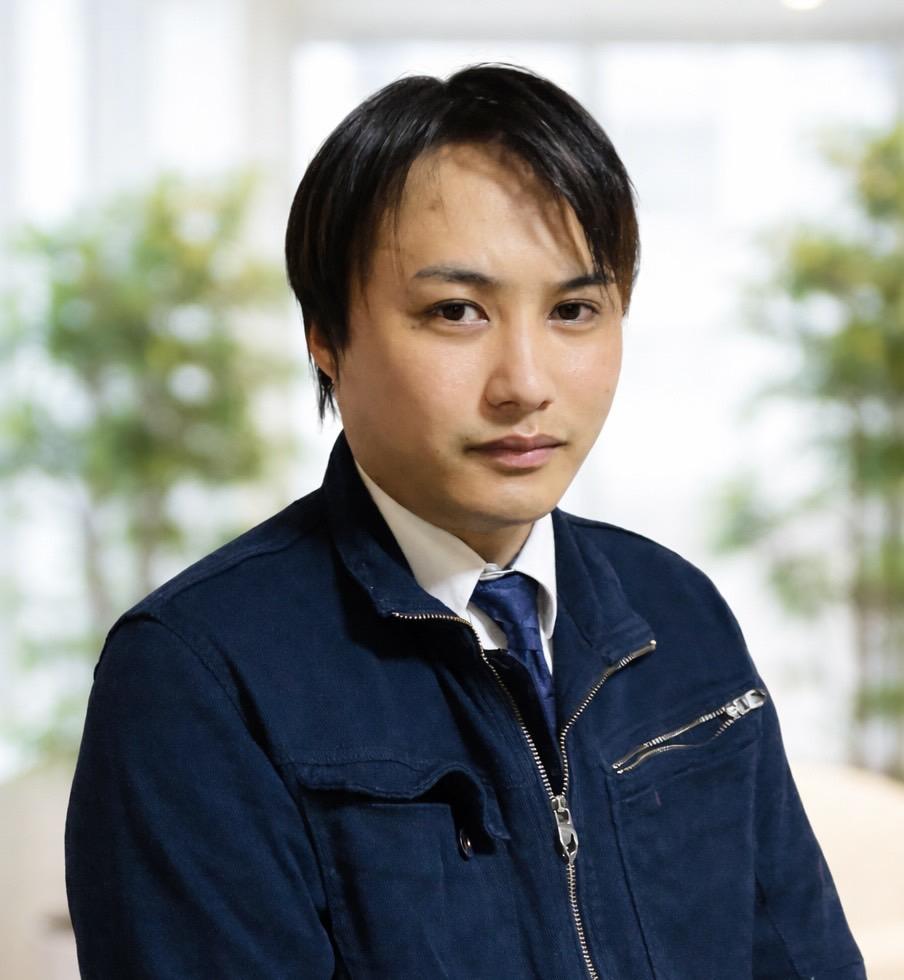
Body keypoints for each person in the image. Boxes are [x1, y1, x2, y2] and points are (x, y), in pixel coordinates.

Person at [65, 63, 865, 979]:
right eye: (456, 312)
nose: (525, 383)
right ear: (325, 335)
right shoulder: (196, 678)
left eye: (574, 310)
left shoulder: (677, 611)